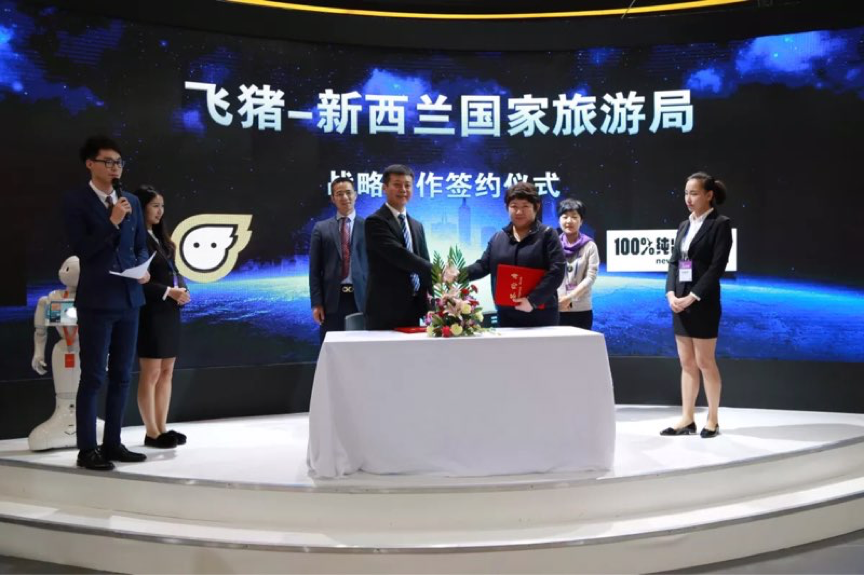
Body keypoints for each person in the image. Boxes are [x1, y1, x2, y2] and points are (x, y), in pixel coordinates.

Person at [62, 136, 151, 471]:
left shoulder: (131, 201)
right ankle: (87, 449)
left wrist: (142, 269)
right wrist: (111, 221)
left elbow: (139, 244)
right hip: (97, 301)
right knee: (93, 377)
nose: (115, 168)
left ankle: (113, 442)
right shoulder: (76, 201)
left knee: (123, 375)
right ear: (90, 164)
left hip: (129, 298)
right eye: (108, 162)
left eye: (119, 162)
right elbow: (82, 249)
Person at [661, 172, 733, 439]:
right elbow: (674, 262)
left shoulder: (720, 224)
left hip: (703, 302)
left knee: (705, 361)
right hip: (679, 301)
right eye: (686, 193)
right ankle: (687, 418)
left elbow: (717, 267)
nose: (688, 199)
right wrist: (671, 293)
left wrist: (693, 296)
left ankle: (712, 419)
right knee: (687, 362)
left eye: (694, 193)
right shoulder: (684, 225)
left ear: (709, 195)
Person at [134, 186, 191, 449]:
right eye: (155, 205)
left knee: (167, 372)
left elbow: (173, 273)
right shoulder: (135, 239)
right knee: (152, 373)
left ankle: (162, 427)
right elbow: (136, 281)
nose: (160, 211)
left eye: (162, 206)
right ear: (142, 207)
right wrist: (168, 292)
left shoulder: (162, 239)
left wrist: (182, 291)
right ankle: (151, 432)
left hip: (169, 311)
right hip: (150, 312)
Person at [466, 182, 565, 327]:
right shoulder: (498, 238)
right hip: (506, 315)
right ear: (507, 207)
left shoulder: (548, 235)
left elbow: (557, 271)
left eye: (525, 206)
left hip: (541, 314)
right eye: (514, 206)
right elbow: (482, 266)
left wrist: (532, 300)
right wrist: (458, 275)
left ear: (536, 207)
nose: (519, 212)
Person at [364, 164, 432, 330]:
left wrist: (430, 305)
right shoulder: (375, 222)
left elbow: (424, 261)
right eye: (397, 184)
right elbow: (400, 256)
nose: (403, 189)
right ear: (384, 188)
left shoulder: (416, 225)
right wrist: (440, 270)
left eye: (407, 185)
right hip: (385, 309)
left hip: (414, 308)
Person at [309, 177, 368, 341]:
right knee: (332, 348)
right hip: (331, 301)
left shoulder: (369, 227)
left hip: (361, 300)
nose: (345, 197)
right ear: (333, 198)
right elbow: (314, 270)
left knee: (361, 348)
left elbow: (375, 267)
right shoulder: (321, 228)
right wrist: (316, 303)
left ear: (355, 195)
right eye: (339, 194)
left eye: (348, 193)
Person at [556, 198, 599, 330]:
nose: (569, 221)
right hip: (557, 308)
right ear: (559, 220)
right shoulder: (553, 244)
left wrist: (570, 297)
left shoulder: (590, 246)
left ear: (581, 221)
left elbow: (591, 277)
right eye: (565, 217)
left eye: (574, 217)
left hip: (582, 309)